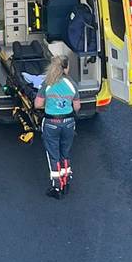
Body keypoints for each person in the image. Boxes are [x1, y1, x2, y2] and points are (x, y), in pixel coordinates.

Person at [35, 56, 80, 199]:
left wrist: (49, 105)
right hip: (69, 122)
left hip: (51, 123)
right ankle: (66, 182)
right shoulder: (72, 84)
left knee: (53, 155)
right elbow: (77, 107)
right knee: (65, 152)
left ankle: (56, 187)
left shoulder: (48, 83)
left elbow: (37, 104)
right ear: (66, 68)